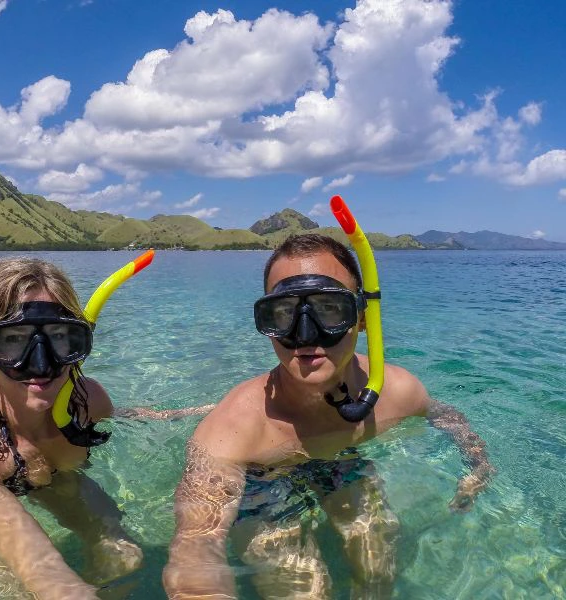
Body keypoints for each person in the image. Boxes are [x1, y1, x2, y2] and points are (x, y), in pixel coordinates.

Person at [163, 234, 495, 599]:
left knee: (377, 565)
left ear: (362, 318)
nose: (307, 336)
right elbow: (194, 547)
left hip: (342, 464)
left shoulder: (399, 393)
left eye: (330, 309)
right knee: (304, 589)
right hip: (263, 482)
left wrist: (478, 465)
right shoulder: (232, 431)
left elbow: (444, 415)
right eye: (284, 313)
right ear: (267, 322)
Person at [0, 257, 210, 599]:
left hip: (59, 477)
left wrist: (190, 413)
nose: (41, 363)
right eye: (13, 340)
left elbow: (127, 415)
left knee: (124, 557)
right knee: (10, 587)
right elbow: (44, 575)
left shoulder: (86, 401)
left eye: (59, 337)